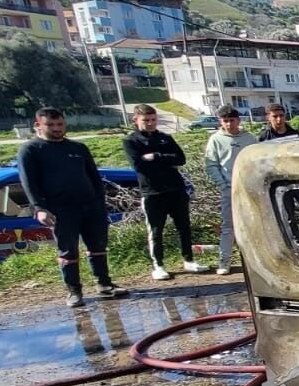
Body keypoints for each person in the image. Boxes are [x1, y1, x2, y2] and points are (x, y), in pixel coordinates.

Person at [17, 107, 128, 308]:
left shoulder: (78, 148)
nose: (57, 129)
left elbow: (94, 177)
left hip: (90, 205)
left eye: (60, 124)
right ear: (38, 125)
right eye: (50, 125)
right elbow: (28, 182)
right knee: (68, 250)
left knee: (98, 246)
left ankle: (104, 284)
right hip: (60, 209)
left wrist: (99, 202)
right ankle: (74, 291)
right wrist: (39, 208)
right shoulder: (31, 150)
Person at [123, 105, 211, 282]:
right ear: (136, 120)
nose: (150, 123)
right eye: (146, 120)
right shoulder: (131, 141)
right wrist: (165, 160)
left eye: (153, 120)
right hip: (152, 192)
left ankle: (189, 260)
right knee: (156, 231)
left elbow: (180, 159)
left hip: (175, 189)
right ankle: (159, 265)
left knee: (184, 227)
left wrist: (156, 156)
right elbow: (138, 165)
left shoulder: (165, 138)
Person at [257, 103, 299, 242]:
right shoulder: (264, 138)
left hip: (298, 180)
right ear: (268, 117)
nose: (278, 119)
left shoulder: (294, 134)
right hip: (279, 183)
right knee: (288, 217)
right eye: (275, 116)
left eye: (281, 116)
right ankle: (298, 244)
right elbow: (262, 163)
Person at [203, 105, 257, 275]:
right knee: (228, 227)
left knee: (252, 224)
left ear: (238, 120)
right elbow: (211, 164)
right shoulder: (215, 139)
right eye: (225, 121)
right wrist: (223, 184)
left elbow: (256, 161)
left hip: (248, 187)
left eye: (231, 120)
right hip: (228, 189)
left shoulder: (250, 138)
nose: (229, 124)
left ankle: (254, 261)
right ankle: (224, 261)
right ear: (221, 122)